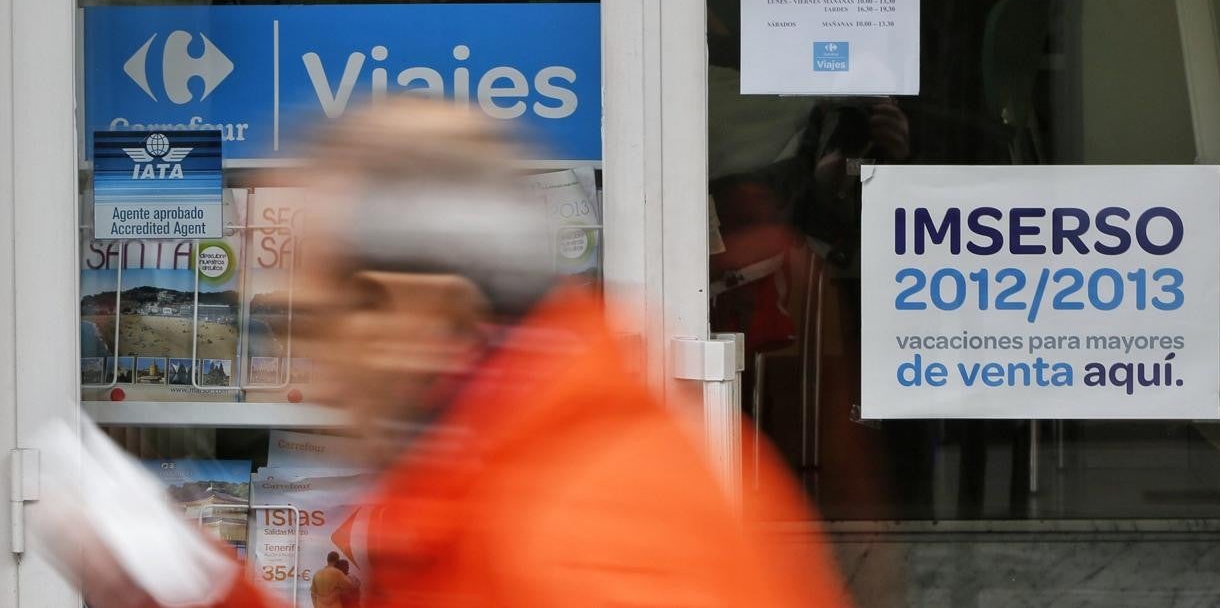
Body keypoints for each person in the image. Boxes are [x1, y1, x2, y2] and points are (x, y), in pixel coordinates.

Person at [58, 99, 850, 607]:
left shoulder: (580, 542)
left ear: (420, 311)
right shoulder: (508, 477)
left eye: (323, 321)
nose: (317, 368)